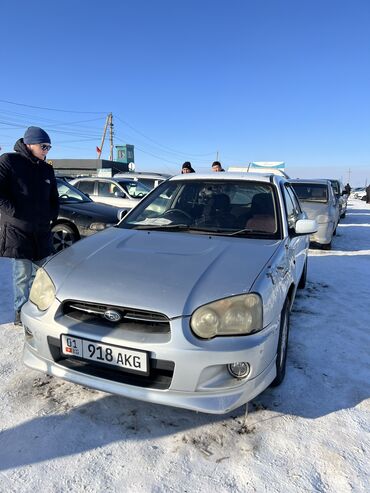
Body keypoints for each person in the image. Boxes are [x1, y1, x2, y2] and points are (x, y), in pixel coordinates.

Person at [0, 126, 59, 325]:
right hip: (19, 231)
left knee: (43, 275)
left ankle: (38, 311)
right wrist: (14, 213)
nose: (46, 150)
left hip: (42, 230)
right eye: (44, 146)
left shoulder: (47, 168)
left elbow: (53, 197)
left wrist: (52, 214)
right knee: (22, 275)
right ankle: (20, 313)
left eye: (49, 147)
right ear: (29, 144)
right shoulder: (9, 161)